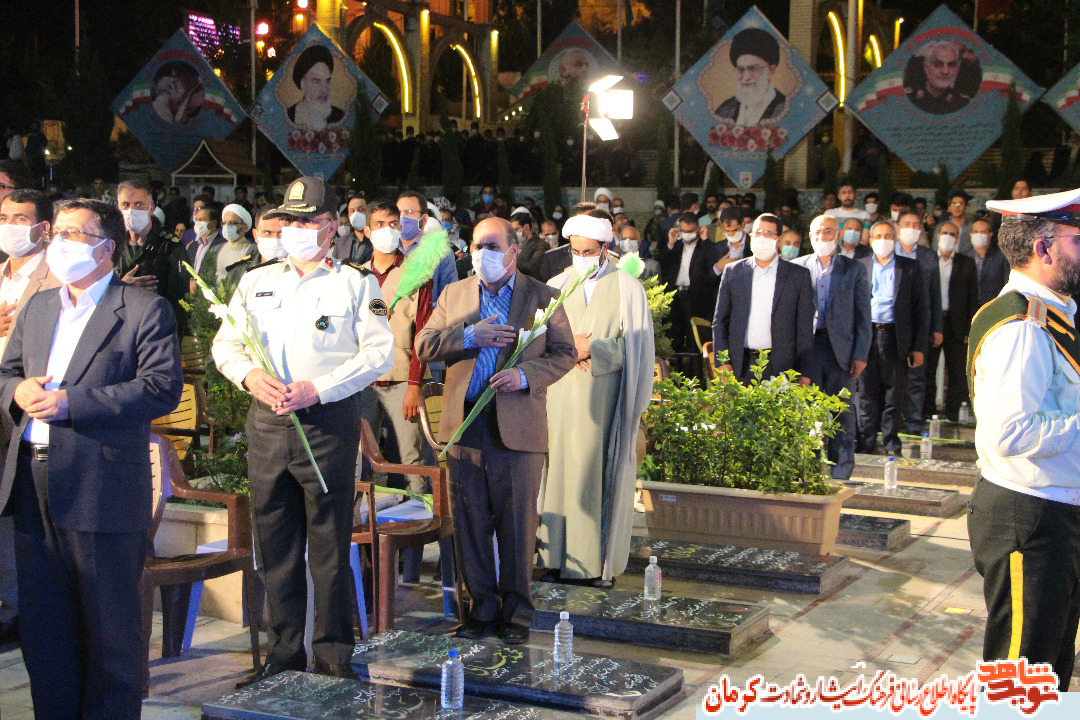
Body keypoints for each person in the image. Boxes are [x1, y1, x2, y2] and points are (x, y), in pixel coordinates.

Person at [0, 198, 183, 718]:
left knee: (108, 630)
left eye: (73, 233)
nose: (59, 242)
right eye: (56, 232)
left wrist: (71, 403)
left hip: (100, 482)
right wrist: (17, 391)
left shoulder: (143, 309)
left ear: (106, 247)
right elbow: (7, 372)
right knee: (45, 626)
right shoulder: (40, 306)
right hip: (32, 477)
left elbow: (160, 388)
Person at [212, 177, 394, 686]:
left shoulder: (356, 283)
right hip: (268, 422)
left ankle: (333, 655)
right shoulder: (256, 281)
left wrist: (319, 388)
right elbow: (227, 344)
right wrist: (250, 376)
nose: (296, 229)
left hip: (326, 424)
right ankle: (284, 654)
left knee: (330, 545)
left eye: (308, 220)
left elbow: (379, 353)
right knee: (275, 545)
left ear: (332, 226)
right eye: (290, 220)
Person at [415, 217, 576, 645]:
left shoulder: (542, 297)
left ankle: (517, 614)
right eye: (475, 245)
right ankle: (481, 610)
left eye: (491, 246)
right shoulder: (454, 294)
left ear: (512, 250)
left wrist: (524, 376)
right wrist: (470, 335)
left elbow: (565, 353)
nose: (481, 253)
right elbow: (424, 344)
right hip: (464, 424)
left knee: (518, 524)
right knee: (469, 522)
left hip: (517, 427)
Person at [965, 189, 1080, 692]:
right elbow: (1012, 432)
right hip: (1029, 518)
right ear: (1043, 248)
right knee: (1020, 682)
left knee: (1049, 672)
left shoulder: (1053, 313)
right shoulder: (1022, 326)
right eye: (1077, 241)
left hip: (1054, 511)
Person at [539, 213, 653, 587]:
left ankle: (589, 564)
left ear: (605, 249)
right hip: (558, 398)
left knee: (592, 474)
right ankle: (553, 558)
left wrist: (594, 349)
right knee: (558, 475)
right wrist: (567, 350)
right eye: (575, 251)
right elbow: (537, 340)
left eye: (588, 251)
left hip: (602, 402)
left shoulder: (627, 288)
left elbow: (637, 349)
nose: (582, 258)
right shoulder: (556, 285)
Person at [0, 189, 60, 648]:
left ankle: (18, 608)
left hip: (26, 409)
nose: (10, 226)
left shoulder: (57, 277)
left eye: (21, 218)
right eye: (4, 216)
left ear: (43, 228)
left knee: (15, 513)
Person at [359, 201, 432, 496]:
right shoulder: (356, 274)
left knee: (410, 459)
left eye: (392, 224)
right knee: (364, 459)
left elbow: (424, 334)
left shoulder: (416, 273)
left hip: (402, 379)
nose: (386, 230)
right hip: (363, 381)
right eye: (379, 224)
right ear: (367, 231)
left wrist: (414, 385)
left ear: (401, 229)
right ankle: (368, 519)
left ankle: (417, 516)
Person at [793, 215, 871, 479]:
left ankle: (841, 471)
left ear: (837, 235)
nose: (822, 237)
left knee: (842, 412)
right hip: (808, 349)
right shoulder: (797, 267)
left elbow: (863, 315)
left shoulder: (854, 269)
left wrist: (860, 353)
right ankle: (811, 469)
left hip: (841, 350)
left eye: (827, 232)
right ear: (810, 236)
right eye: (816, 232)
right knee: (808, 411)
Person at [712, 213, 814, 383]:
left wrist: (804, 372)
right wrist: (723, 363)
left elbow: (804, 327)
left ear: (778, 240)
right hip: (740, 364)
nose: (762, 238)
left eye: (769, 233)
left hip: (781, 366)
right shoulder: (733, 272)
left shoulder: (798, 275)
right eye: (758, 233)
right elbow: (720, 322)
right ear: (751, 236)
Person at [855, 220, 929, 455]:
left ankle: (890, 442)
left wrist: (918, 347)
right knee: (865, 393)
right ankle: (866, 442)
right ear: (870, 240)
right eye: (878, 236)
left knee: (894, 393)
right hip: (867, 335)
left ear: (895, 240)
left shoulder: (910, 268)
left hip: (895, 337)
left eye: (888, 236)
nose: (883, 241)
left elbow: (921, 309)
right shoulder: (859, 266)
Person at [114, 179, 189, 334]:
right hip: (119, 328)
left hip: (154, 329)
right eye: (125, 205)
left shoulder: (170, 246)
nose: (132, 210)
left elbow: (179, 301)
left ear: (152, 208)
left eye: (139, 204)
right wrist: (123, 286)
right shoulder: (111, 245)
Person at [924, 224, 979, 422]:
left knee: (957, 371)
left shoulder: (966, 263)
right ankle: (928, 411)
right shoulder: (928, 260)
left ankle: (952, 413)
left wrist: (969, 329)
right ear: (938, 235)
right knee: (928, 369)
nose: (948, 237)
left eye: (952, 234)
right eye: (945, 233)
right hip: (932, 321)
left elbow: (973, 298)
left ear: (958, 238)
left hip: (956, 323)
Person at [895, 211, 943, 432]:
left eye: (916, 225)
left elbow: (935, 293)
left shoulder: (928, 256)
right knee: (892, 376)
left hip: (920, 322)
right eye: (907, 224)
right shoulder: (887, 252)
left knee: (917, 375)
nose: (911, 228)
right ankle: (890, 420)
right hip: (893, 323)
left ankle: (914, 420)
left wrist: (936, 327)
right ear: (897, 228)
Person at [658, 211, 722, 352]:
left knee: (695, 336)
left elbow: (713, 261)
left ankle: (696, 363)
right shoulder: (676, 246)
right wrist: (670, 243)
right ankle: (675, 362)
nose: (687, 234)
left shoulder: (705, 247)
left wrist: (705, 239)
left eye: (690, 231)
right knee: (674, 334)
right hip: (675, 294)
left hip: (696, 296)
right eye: (684, 231)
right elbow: (662, 262)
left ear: (698, 229)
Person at [715, 27, 787, 126]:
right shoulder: (725, 110)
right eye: (740, 69)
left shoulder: (785, 110)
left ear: (771, 70)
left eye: (753, 69)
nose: (746, 77)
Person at [905, 39, 973, 115]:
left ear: (957, 69)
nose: (945, 71)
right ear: (926, 68)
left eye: (951, 65)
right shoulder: (908, 99)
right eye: (938, 64)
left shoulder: (964, 105)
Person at [286, 45, 345, 131]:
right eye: (317, 81)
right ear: (303, 84)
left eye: (327, 81)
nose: (324, 89)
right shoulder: (289, 116)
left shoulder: (339, 116)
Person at [225, 207, 287, 285]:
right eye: (267, 233)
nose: (275, 239)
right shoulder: (238, 272)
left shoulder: (299, 271)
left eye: (281, 233)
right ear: (255, 235)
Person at [963, 218, 1010, 305]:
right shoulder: (963, 257)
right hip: (968, 306)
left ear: (990, 235)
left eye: (983, 232)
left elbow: (1006, 283)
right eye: (975, 231)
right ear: (971, 234)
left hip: (993, 306)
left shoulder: (1001, 258)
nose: (979, 235)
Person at [217, 203, 257, 283]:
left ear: (244, 227)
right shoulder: (216, 249)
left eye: (232, 223)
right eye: (224, 223)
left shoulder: (253, 251)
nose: (226, 226)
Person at [186, 203, 226, 283]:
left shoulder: (223, 245)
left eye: (202, 220)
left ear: (214, 223)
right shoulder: (192, 246)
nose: (198, 223)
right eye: (196, 220)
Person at [333, 195, 373, 265]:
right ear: (349, 215)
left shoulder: (377, 240)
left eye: (360, 210)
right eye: (352, 211)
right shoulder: (341, 242)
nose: (356, 214)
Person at [511, 210, 548, 280]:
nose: (514, 234)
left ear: (526, 227)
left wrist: (510, 262)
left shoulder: (541, 245)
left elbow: (531, 267)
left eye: (516, 230)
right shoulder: (514, 245)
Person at [945, 187, 974, 253]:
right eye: (953, 203)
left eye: (960, 204)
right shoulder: (941, 227)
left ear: (966, 207)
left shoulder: (972, 228)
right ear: (949, 207)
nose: (956, 207)